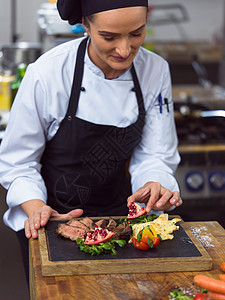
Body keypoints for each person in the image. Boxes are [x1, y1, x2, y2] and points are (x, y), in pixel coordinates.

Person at [0, 0, 182, 282]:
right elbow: (17, 161)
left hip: (119, 221)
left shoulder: (154, 70)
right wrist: (36, 207)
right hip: (51, 219)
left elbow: (155, 153)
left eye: (136, 33)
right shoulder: (47, 73)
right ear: (85, 25)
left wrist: (153, 185)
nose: (124, 50)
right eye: (109, 37)